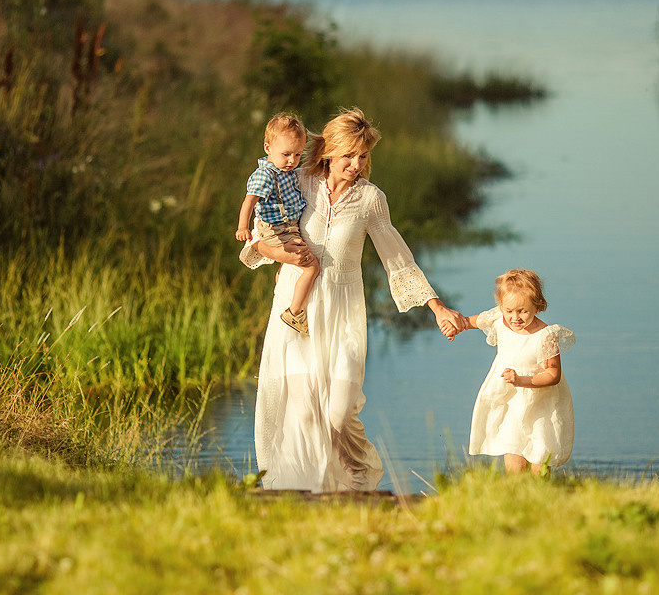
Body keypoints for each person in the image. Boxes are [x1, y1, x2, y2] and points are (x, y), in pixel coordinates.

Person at [240, 107, 467, 492]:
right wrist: (284, 256)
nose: (356, 164)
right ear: (328, 152)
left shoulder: (370, 200)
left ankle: (359, 478)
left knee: (339, 413)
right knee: (304, 411)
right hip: (296, 309)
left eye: (363, 156)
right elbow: (259, 241)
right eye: (349, 155)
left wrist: (437, 306)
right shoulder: (297, 183)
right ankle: (302, 491)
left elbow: (397, 257)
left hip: (343, 311)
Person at [450, 269, 575, 474]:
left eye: (523, 311)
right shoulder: (499, 319)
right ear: (501, 306)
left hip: (540, 402)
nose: (515, 317)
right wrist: (455, 326)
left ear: (537, 305)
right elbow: (468, 322)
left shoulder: (545, 336)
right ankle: (516, 494)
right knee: (513, 449)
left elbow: (553, 374)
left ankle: (540, 498)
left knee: (540, 457)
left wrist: (521, 380)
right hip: (509, 399)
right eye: (509, 310)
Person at [235, 112, 319, 336]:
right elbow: (249, 200)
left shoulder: (285, 171)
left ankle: (282, 289)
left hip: (287, 227)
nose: (292, 160)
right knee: (311, 266)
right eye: (286, 154)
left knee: (289, 265)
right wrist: (243, 226)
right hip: (276, 229)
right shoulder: (266, 175)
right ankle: (294, 312)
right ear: (267, 148)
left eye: (298, 154)